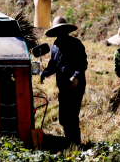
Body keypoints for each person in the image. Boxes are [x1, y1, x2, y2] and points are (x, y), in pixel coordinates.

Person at [40, 16, 88, 146]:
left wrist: (76, 76)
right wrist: (45, 72)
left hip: (76, 84)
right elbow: (53, 65)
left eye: (62, 29)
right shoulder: (55, 46)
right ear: (55, 32)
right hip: (63, 86)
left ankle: (76, 144)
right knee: (63, 118)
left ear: (66, 30)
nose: (60, 32)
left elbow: (82, 63)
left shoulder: (76, 43)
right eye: (58, 30)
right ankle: (69, 142)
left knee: (72, 116)